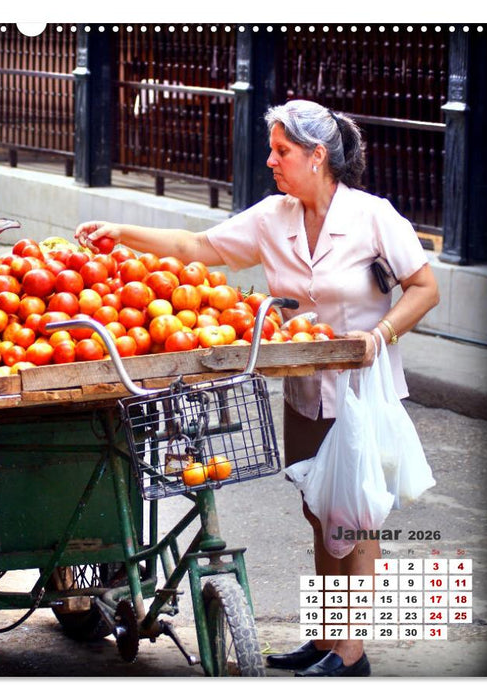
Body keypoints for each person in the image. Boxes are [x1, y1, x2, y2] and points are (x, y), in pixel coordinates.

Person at [75, 99, 439, 677]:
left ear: (317, 156)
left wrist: (381, 332)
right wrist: (122, 232)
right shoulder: (275, 216)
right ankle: (326, 639)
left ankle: (352, 653)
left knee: (356, 517)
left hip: (364, 393)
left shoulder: (373, 217)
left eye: (282, 151)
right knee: (320, 512)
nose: (270, 160)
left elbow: (425, 286)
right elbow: (199, 248)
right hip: (305, 392)